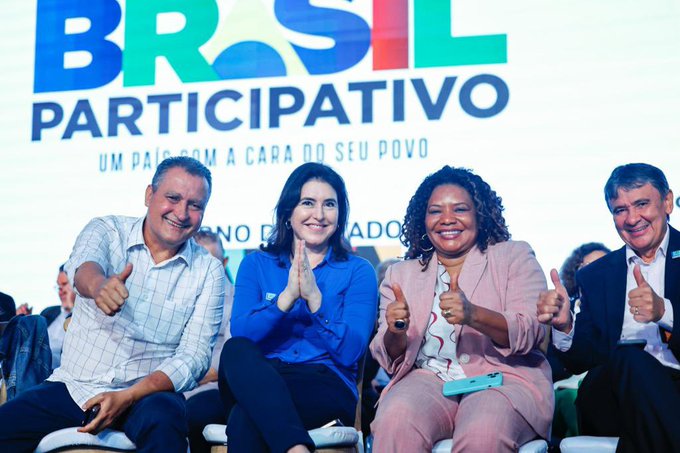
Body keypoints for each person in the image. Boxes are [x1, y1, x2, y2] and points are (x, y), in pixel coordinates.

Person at [0, 156, 226, 453]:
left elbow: (194, 357)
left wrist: (129, 396)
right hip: (75, 387)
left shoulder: (208, 271)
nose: (182, 212)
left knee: (165, 421)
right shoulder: (107, 231)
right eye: (173, 198)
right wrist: (99, 286)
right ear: (149, 195)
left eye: (195, 205)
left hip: (146, 394)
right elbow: (82, 267)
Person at [370, 166, 553, 452]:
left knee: (483, 430)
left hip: (502, 380)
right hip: (429, 379)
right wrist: (395, 331)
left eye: (460, 209)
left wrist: (473, 315)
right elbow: (388, 358)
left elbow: (531, 331)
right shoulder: (400, 275)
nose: (446, 219)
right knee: (395, 418)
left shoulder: (513, 256)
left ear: (479, 214)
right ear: (423, 218)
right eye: (435, 211)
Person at [218, 162, 378, 453]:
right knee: (235, 350)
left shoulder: (358, 270)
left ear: (340, 215)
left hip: (324, 382)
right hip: (261, 375)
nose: (319, 214)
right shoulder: (257, 263)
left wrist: (316, 300)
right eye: (308, 203)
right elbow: (242, 333)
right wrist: (286, 298)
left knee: (245, 417)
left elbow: (352, 350)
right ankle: (295, 447)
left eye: (329, 204)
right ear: (288, 212)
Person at [538, 163, 680, 452]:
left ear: (667, 202)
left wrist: (664, 312)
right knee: (628, 359)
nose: (632, 218)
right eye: (620, 210)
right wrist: (565, 326)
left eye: (642, 204)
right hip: (612, 396)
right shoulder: (596, 274)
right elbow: (584, 358)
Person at [548, 242, 610, 444]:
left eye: (603, 265)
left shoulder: (621, 310)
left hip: (605, 384)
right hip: (566, 387)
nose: (596, 272)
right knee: (573, 400)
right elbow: (553, 364)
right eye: (588, 266)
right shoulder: (561, 308)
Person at [186, 228, 234, 453]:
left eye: (211, 263)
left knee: (195, 414)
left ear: (223, 263)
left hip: (213, 390)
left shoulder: (235, 301)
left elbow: (230, 359)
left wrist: (185, 375)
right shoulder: (179, 299)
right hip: (173, 389)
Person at [41, 264, 77, 369]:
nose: (61, 290)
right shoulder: (48, 312)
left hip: (58, 371)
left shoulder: (85, 317)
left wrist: (74, 308)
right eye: (59, 286)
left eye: (65, 284)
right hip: (36, 366)